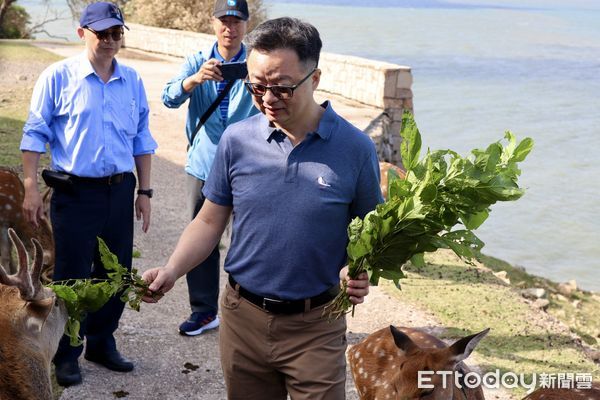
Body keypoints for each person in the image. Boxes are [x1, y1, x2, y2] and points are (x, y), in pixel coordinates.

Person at [143, 17, 383, 399]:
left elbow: (372, 232)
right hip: (242, 320)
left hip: (317, 327)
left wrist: (358, 270)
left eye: (282, 88)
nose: (268, 99)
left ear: (315, 78)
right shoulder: (236, 140)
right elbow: (208, 220)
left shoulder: (355, 149)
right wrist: (172, 270)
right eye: (256, 86)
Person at [20, 1, 157, 387]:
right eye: (104, 33)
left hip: (119, 190)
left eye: (118, 33)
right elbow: (34, 134)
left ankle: (101, 341)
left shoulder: (132, 80)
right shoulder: (58, 76)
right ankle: (67, 353)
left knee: (116, 274)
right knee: (72, 276)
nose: (112, 40)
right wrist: (30, 187)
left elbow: (143, 139)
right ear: (82, 34)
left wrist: (144, 191)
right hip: (75, 193)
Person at [161, 0, 258, 336]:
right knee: (200, 237)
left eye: (236, 21)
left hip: (247, 167)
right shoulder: (197, 61)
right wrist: (194, 80)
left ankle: (243, 312)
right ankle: (203, 311)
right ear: (213, 23)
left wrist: (254, 84)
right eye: (224, 21)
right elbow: (168, 97)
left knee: (245, 242)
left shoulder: (255, 63)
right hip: (202, 165)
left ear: (247, 25)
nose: (229, 28)